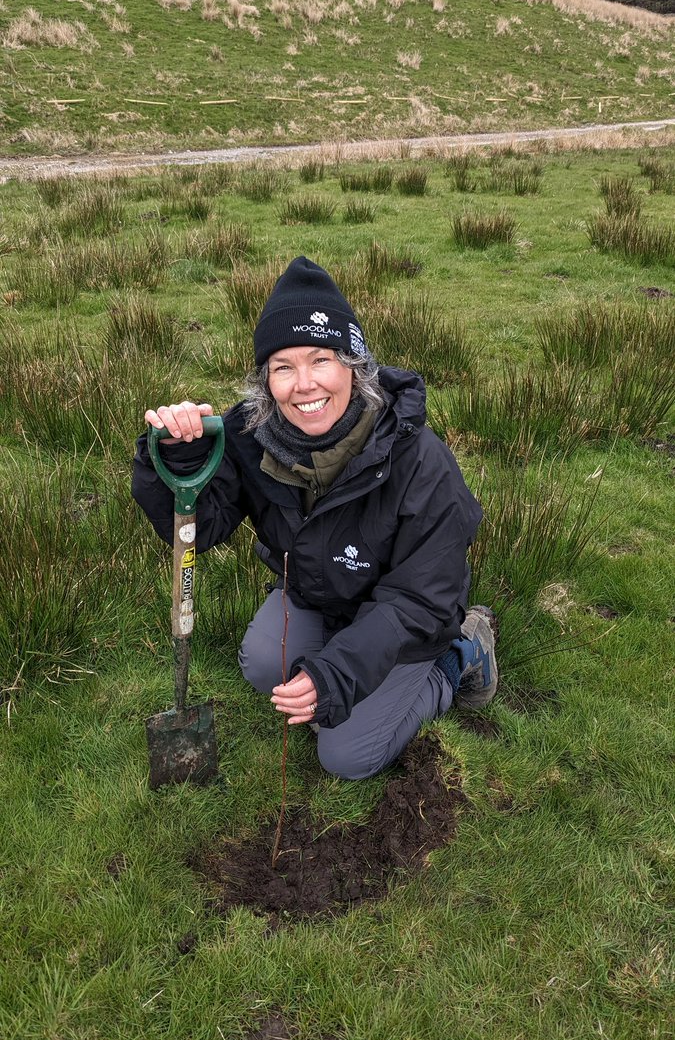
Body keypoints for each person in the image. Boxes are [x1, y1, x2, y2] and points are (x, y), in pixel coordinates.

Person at [132, 257, 497, 780]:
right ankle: (341, 661)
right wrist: (179, 459)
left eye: (321, 360)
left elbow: (416, 600)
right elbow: (200, 528)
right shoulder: (250, 434)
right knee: (261, 667)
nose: (303, 385)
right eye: (283, 367)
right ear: (266, 378)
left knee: (345, 754)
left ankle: (461, 656)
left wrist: (337, 674)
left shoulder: (419, 461)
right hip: (318, 593)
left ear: (354, 364)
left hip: (410, 624)